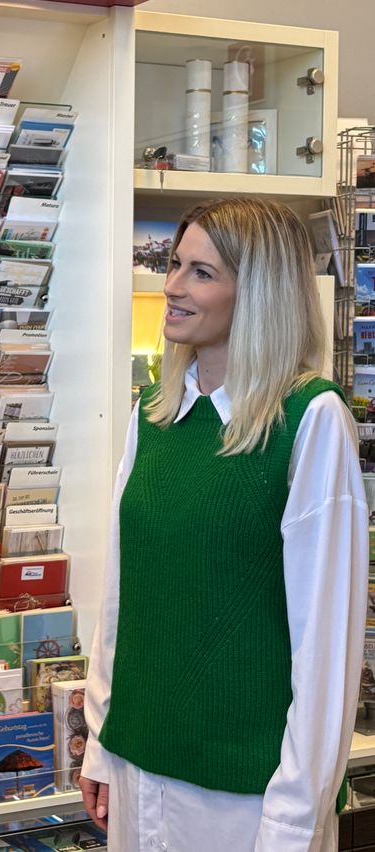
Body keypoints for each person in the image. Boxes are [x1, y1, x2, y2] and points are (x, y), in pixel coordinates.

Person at [79, 197, 368, 852]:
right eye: (174, 264)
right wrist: (101, 741)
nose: (172, 286)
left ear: (259, 292)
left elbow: (325, 653)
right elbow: (125, 601)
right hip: (138, 772)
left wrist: (297, 821)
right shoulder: (151, 418)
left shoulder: (311, 421)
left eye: (201, 272)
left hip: (247, 801)